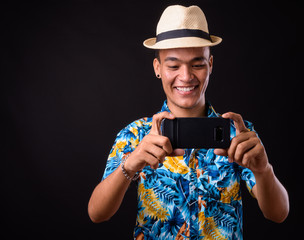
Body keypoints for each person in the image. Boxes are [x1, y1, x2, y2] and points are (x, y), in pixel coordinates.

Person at [88, 5, 289, 240]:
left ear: (210, 64)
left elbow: (278, 214)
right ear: (158, 68)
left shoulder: (237, 132)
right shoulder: (135, 134)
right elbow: (97, 213)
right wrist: (130, 165)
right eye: (173, 65)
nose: (185, 76)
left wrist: (263, 170)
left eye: (197, 64)